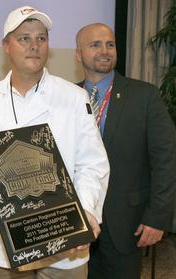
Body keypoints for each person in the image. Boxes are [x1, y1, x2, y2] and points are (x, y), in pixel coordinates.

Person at [0, 6, 109, 279]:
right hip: (6, 242)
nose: (34, 46)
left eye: (41, 38)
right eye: (24, 38)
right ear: (6, 45)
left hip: (64, 239)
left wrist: (86, 211)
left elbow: (92, 163)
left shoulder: (75, 98)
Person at [75, 23, 176, 279]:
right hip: (77, 224)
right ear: (78, 54)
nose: (105, 51)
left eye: (110, 44)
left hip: (126, 224)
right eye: (95, 45)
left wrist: (157, 217)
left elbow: (166, 159)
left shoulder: (145, 96)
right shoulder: (67, 98)